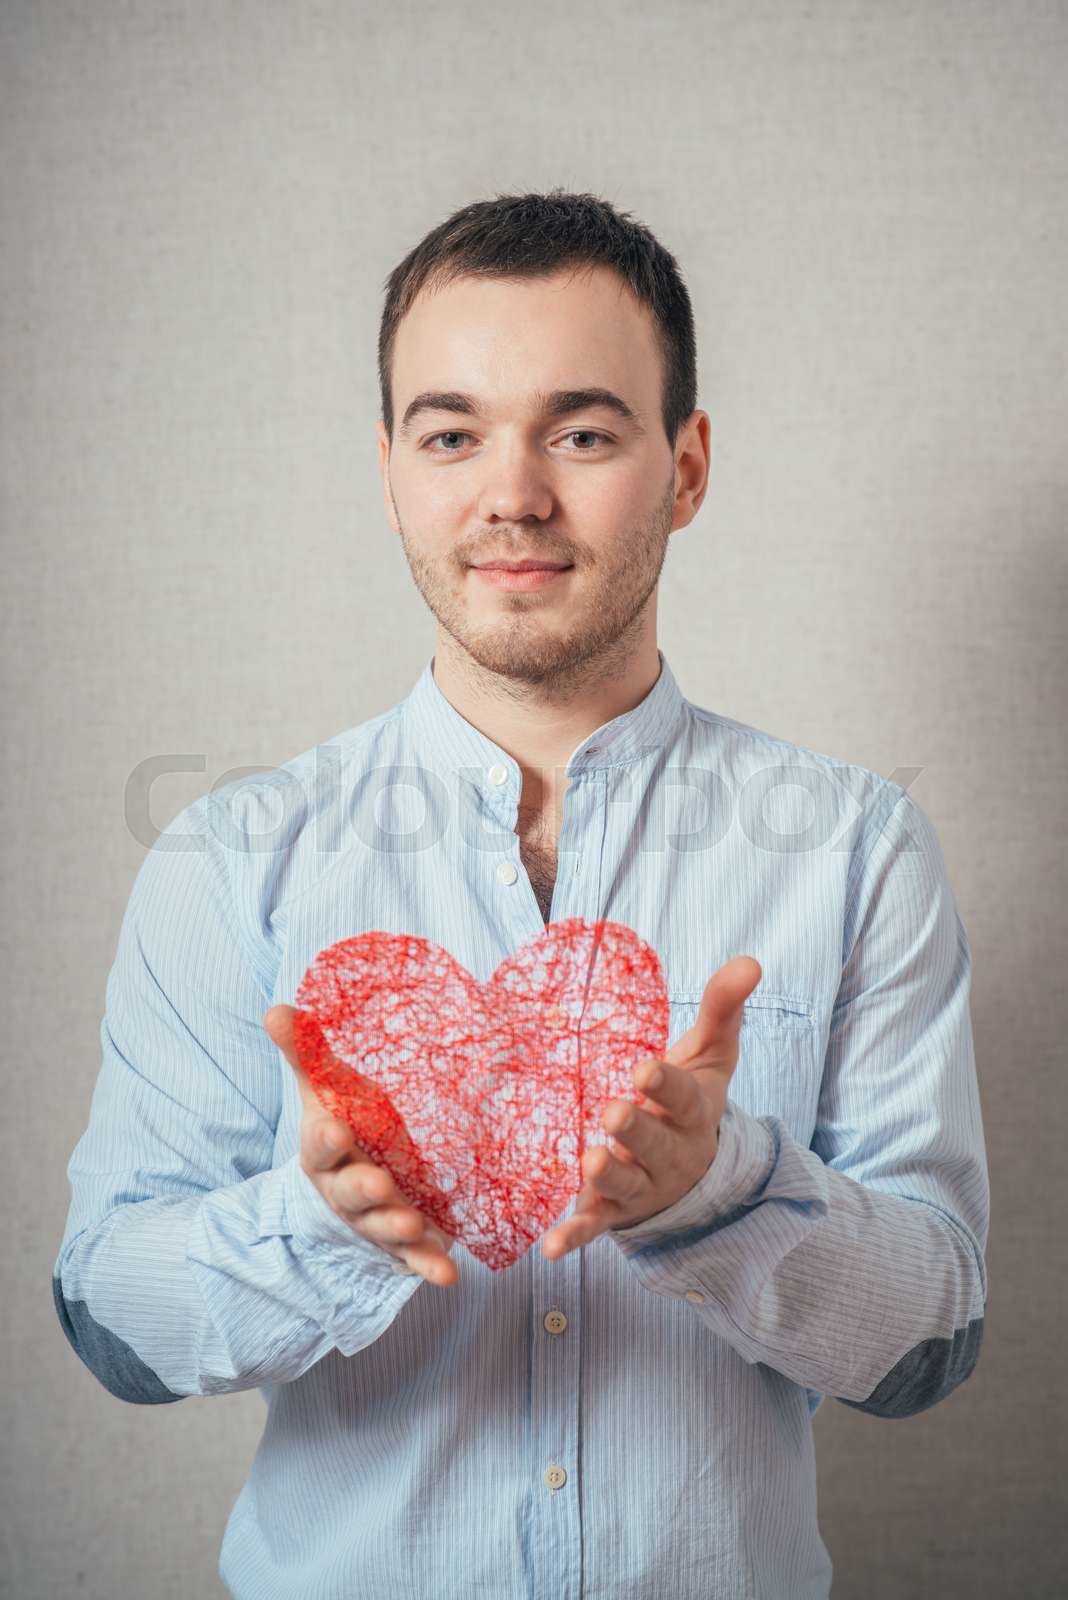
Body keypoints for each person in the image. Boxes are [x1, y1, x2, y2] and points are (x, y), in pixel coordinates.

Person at [52, 189, 989, 1600]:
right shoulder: (228, 857)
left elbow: (930, 1347)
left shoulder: (856, 849)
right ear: (390, 471)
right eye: (452, 433)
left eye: (583, 430)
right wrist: (316, 1222)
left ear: (686, 466)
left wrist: (716, 1189)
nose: (512, 494)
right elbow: (111, 1325)